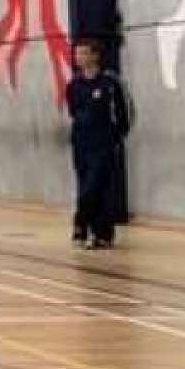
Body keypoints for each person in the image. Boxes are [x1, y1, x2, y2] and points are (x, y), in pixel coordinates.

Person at [66, 37, 133, 249]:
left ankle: (84, 224)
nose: (78, 57)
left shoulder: (110, 82)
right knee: (86, 186)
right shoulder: (74, 85)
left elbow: (126, 112)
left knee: (95, 187)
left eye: (83, 53)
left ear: (95, 56)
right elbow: (73, 111)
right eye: (77, 53)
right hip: (81, 145)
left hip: (104, 145)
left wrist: (116, 137)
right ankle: (96, 232)